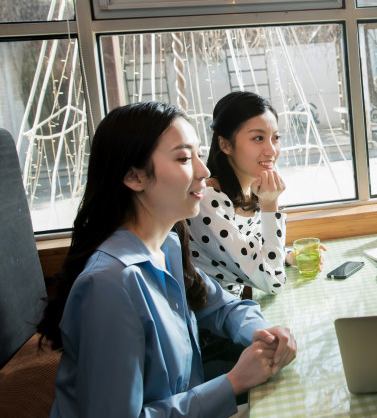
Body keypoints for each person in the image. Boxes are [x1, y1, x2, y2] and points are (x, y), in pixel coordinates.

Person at [38, 101, 297, 418]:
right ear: (134, 176)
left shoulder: (169, 247)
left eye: (199, 156)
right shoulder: (109, 285)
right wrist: (233, 382)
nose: (203, 172)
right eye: (185, 158)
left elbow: (224, 307)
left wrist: (263, 332)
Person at [187, 91, 322, 298]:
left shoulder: (250, 191)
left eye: (275, 138)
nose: (271, 150)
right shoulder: (207, 200)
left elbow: (251, 253)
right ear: (225, 145)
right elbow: (272, 282)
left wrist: (288, 257)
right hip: (213, 320)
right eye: (258, 138)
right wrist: (270, 206)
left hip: (237, 309)